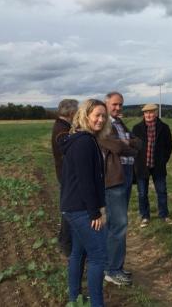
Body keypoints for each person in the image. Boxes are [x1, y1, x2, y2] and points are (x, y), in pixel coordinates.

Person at [59, 99, 108, 306]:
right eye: (97, 115)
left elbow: (92, 178)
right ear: (86, 115)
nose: (101, 119)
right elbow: (86, 180)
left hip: (74, 206)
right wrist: (95, 212)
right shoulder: (84, 142)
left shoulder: (82, 139)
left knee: (79, 253)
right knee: (98, 256)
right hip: (80, 208)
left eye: (104, 116)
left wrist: (100, 206)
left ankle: (75, 298)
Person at [97, 91, 140, 287]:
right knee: (118, 224)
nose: (118, 108)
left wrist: (126, 143)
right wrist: (125, 144)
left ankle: (115, 266)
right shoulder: (103, 124)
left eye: (120, 104)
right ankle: (111, 270)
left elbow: (137, 143)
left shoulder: (119, 123)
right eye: (114, 104)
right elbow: (113, 147)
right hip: (114, 178)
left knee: (117, 223)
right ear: (106, 104)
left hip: (126, 174)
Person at [131, 103, 172, 226]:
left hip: (158, 165)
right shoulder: (137, 128)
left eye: (151, 112)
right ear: (143, 114)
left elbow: (169, 145)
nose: (148, 115)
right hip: (141, 165)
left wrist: (163, 159)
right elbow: (133, 146)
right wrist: (136, 161)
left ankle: (164, 215)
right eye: (146, 112)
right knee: (142, 193)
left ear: (156, 113)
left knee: (161, 191)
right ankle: (145, 216)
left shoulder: (164, 127)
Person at [52, 98, 78, 256]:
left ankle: (65, 240)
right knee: (69, 209)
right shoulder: (62, 130)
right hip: (66, 175)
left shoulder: (62, 126)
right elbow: (69, 150)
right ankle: (66, 243)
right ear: (71, 113)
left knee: (69, 208)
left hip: (65, 173)